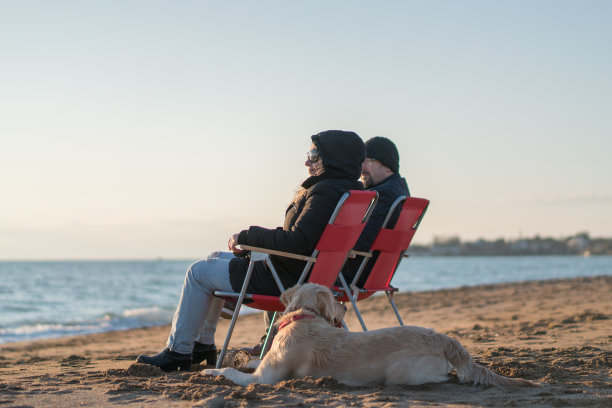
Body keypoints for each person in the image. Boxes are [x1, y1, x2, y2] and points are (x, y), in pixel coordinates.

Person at [136, 130, 366, 371]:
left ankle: (178, 351)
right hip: (304, 272)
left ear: (335, 158)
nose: (308, 160)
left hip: (286, 278)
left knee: (198, 272)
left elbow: (299, 241)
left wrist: (246, 236)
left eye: (315, 154)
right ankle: (202, 345)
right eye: (309, 154)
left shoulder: (324, 192)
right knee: (214, 258)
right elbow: (304, 239)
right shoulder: (350, 192)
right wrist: (249, 247)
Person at [251, 136, 410, 355]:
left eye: (369, 160)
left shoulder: (380, 197)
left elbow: (360, 240)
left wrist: (323, 241)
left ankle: (270, 342)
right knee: (287, 262)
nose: (362, 166)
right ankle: (270, 339)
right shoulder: (401, 195)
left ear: (388, 166)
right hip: (373, 275)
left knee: (284, 267)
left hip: (349, 274)